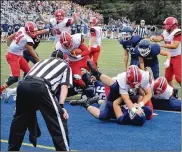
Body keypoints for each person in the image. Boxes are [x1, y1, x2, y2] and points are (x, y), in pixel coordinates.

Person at [8, 51, 72, 151]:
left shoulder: (40, 62)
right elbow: (64, 86)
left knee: (19, 119)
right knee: (58, 119)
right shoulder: (65, 65)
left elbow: (28, 79)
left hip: (23, 85)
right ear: (63, 59)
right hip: (41, 86)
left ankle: (12, 149)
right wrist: (61, 106)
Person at [70, 61, 153, 126]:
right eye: (142, 111)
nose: (141, 110)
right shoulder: (124, 78)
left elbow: (116, 103)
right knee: (115, 87)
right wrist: (140, 104)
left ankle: (85, 104)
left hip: (115, 103)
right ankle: (96, 73)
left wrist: (133, 103)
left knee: (103, 116)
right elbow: (143, 95)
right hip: (122, 95)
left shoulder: (122, 119)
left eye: (139, 111)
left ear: (132, 114)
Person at [0, 21, 40, 95]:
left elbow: (9, 37)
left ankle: (21, 90)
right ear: (28, 31)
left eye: (35, 31)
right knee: (15, 77)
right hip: (13, 56)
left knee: (29, 73)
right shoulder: (28, 39)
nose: (34, 33)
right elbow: (34, 55)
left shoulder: (22, 29)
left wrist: (9, 48)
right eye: (32, 31)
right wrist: (40, 63)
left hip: (18, 55)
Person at [150, 17, 181, 87]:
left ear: (173, 26)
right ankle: (173, 93)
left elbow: (174, 45)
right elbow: (159, 38)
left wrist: (161, 45)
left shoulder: (178, 32)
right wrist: (153, 38)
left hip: (178, 56)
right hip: (169, 57)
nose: (165, 26)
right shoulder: (166, 32)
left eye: (167, 25)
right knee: (168, 77)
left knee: (179, 78)